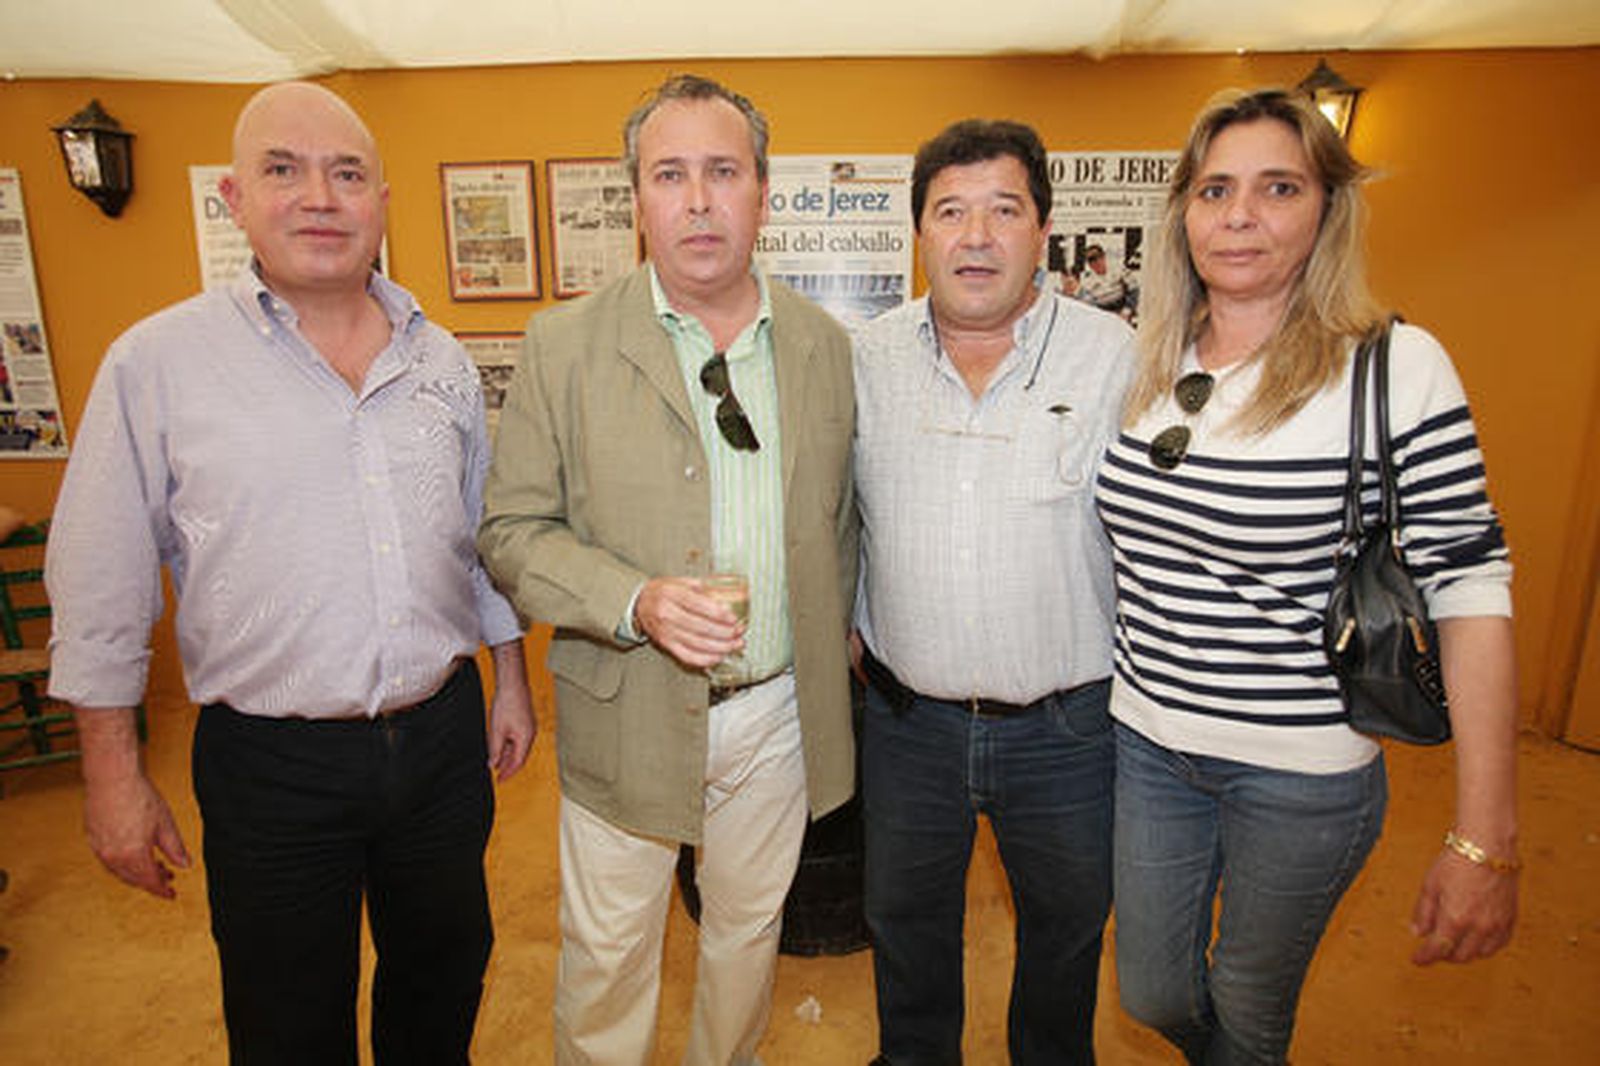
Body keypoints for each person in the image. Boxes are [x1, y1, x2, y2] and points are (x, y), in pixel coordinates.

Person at [45, 81, 535, 1065]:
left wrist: (511, 676)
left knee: (442, 978)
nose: (320, 196)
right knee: (285, 1016)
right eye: (285, 169)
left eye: (346, 173)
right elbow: (101, 573)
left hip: (440, 743)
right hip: (271, 767)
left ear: (380, 202)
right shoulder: (158, 364)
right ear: (234, 197)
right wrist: (111, 773)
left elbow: (480, 535)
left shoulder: (438, 361)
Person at [1095, 88, 1518, 1064]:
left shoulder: (1392, 365)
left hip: (1304, 774)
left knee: (1247, 1011)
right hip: (1149, 750)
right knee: (1151, 988)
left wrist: (1482, 838)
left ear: (1327, 209)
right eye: (1214, 190)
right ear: (1182, 214)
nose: (1238, 214)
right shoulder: (1143, 359)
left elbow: (1470, 589)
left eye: (1276, 187)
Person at [477, 74, 856, 1066]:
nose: (697, 200)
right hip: (627, 703)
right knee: (608, 955)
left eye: (722, 172)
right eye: (669, 174)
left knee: (745, 937)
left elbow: (847, 519)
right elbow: (512, 531)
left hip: (776, 714)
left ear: (763, 192)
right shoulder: (562, 344)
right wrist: (634, 599)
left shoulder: (821, 345)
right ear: (635, 198)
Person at [852, 119, 1135, 1065]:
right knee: (904, 926)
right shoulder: (864, 361)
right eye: (951, 212)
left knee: (1065, 934)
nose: (976, 236)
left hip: (1068, 730)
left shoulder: (1119, 359)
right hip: (906, 727)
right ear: (920, 233)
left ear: (1043, 230)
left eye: (1003, 210)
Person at [1071, 243, 1137, 319]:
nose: (1095, 263)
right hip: (1102, 313)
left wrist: (1127, 310)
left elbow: (1134, 289)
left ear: (1103, 257)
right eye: (1090, 260)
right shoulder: (1087, 281)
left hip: (1123, 309)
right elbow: (1087, 303)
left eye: (1097, 257)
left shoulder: (1119, 269)